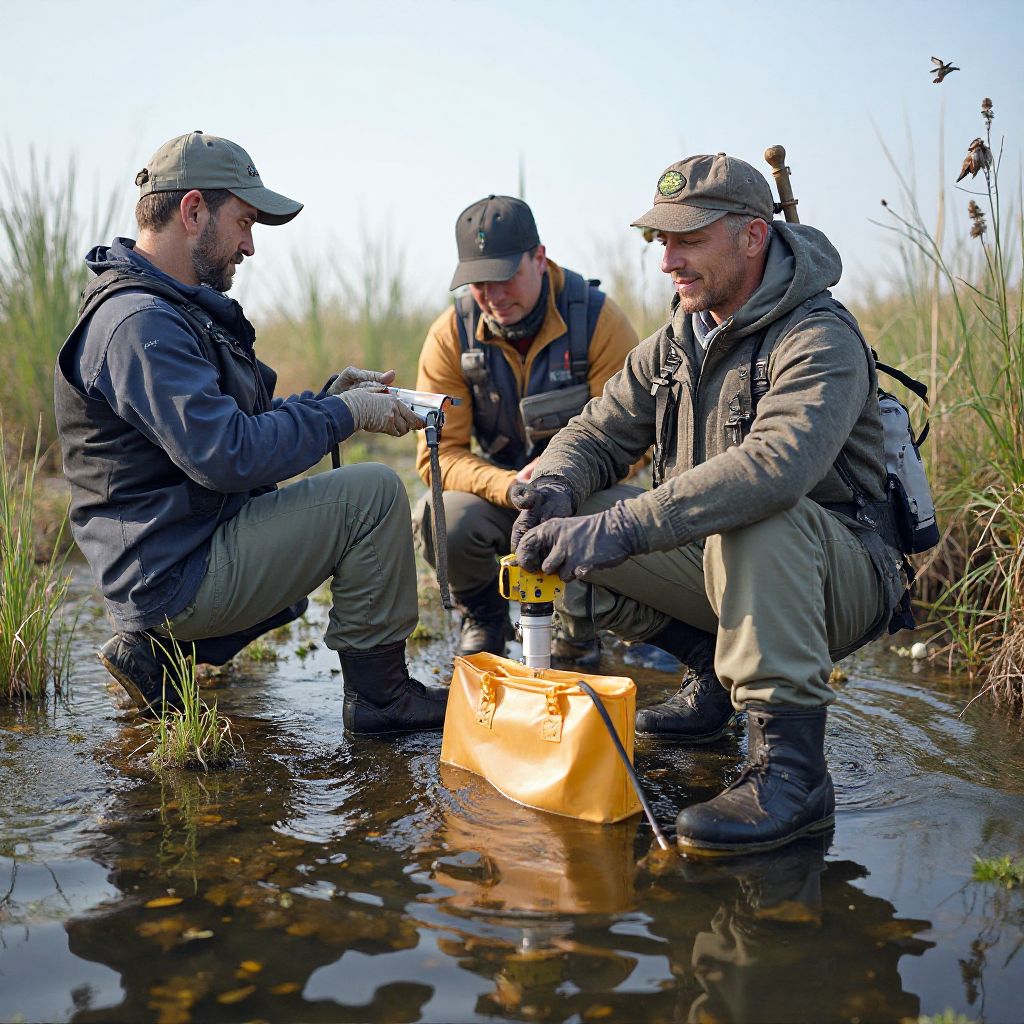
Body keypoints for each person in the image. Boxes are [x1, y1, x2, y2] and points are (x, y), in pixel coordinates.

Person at [510, 153, 908, 855]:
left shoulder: (820, 337)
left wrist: (623, 527)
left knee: (756, 515)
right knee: (570, 513)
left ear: (752, 236)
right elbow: (596, 431)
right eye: (661, 240)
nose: (667, 261)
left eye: (688, 240)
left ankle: (792, 774)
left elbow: (775, 469)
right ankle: (714, 675)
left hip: (833, 576)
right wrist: (557, 485)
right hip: (730, 563)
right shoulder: (676, 341)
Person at [54, 130, 446, 737]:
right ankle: (382, 700)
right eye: (244, 222)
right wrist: (345, 416)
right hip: (172, 575)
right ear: (192, 211)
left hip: (173, 554)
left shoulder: (166, 310)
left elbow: (233, 428)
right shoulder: (139, 323)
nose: (250, 245)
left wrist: (329, 400)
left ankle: (158, 656)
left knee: (318, 499)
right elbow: (229, 455)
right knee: (372, 495)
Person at [414, 195, 639, 659]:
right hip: (502, 495)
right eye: (479, 283)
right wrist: (510, 487)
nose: (494, 296)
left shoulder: (600, 322)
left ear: (539, 258)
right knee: (442, 515)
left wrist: (565, 481)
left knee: (613, 515)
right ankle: (483, 618)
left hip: (583, 495)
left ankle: (580, 626)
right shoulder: (449, 334)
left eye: (505, 277)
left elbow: (636, 441)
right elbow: (438, 456)